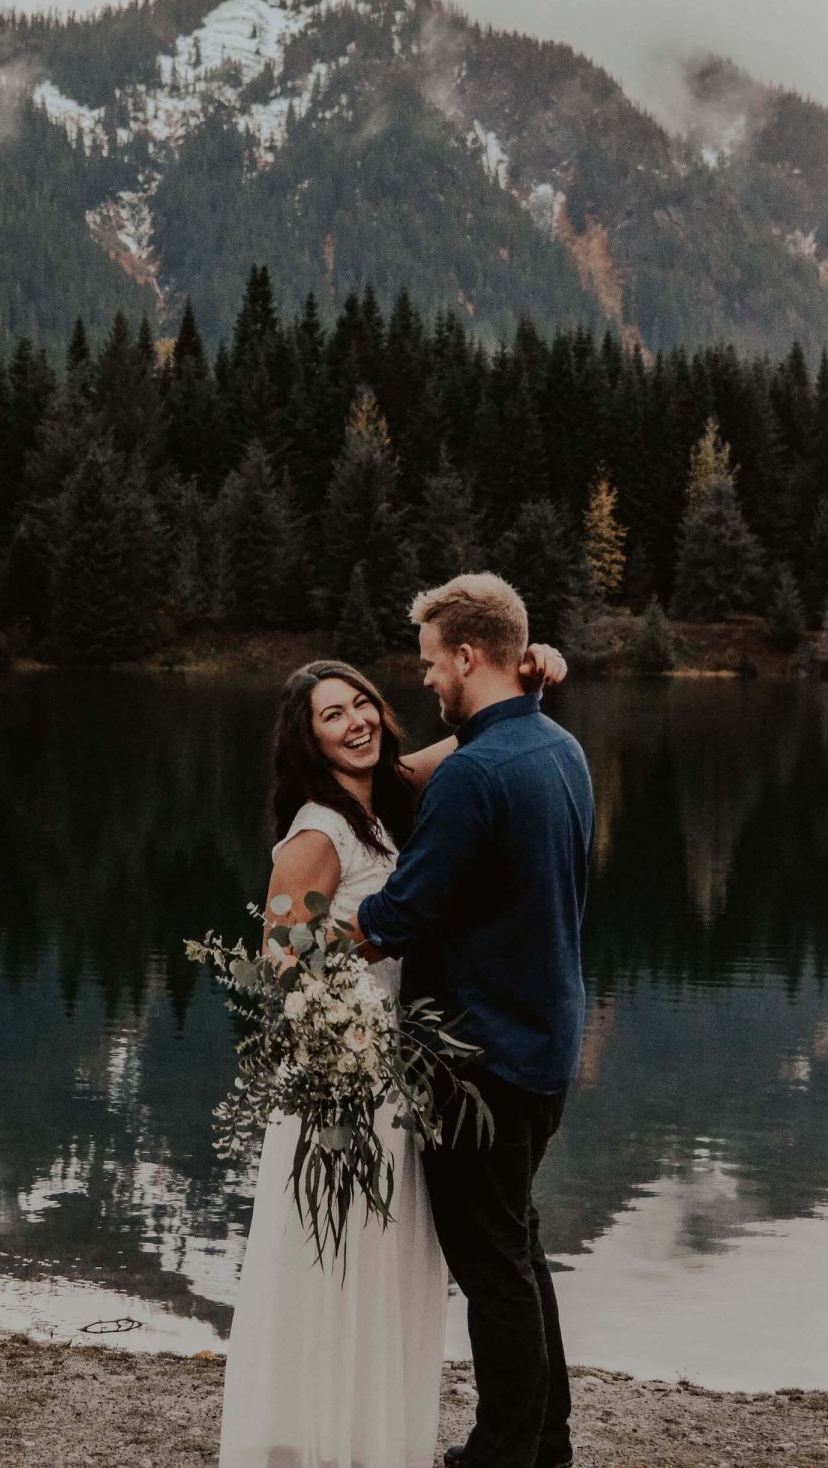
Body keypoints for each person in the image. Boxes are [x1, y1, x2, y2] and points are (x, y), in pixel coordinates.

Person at [219, 638, 568, 1468]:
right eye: (331, 715)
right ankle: (323, 1438)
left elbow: (476, 738)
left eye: (361, 703)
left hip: (401, 1070)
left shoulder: (388, 795)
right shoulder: (319, 830)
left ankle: (377, 1430)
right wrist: (351, 1027)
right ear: (306, 740)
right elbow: (282, 957)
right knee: (338, 1260)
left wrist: (532, 679)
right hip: (349, 1072)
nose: (356, 721)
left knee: (391, 1262)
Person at [354, 575, 595, 1468]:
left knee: (493, 1268)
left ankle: (502, 1453)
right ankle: (547, 1445)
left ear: (464, 655)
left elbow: (392, 921)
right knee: (519, 1251)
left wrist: (298, 937)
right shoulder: (558, 746)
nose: (425, 682)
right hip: (541, 1046)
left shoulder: (477, 777)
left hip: (479, 1062)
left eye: (430, 664)